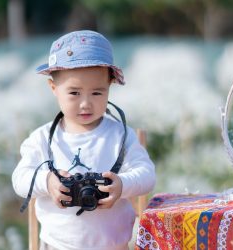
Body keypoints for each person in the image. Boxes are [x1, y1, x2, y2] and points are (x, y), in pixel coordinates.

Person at [12, 30, 155, 250]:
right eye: (74, 93)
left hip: (113, 245)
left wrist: (122, 185)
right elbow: (20, 180)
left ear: (109, 87)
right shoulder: (42, 138)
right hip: (58, 245)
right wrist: (47, 181)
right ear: (54, 89)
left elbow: (147, 175)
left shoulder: (120, 135)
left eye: (97, 93)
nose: (86, 103)